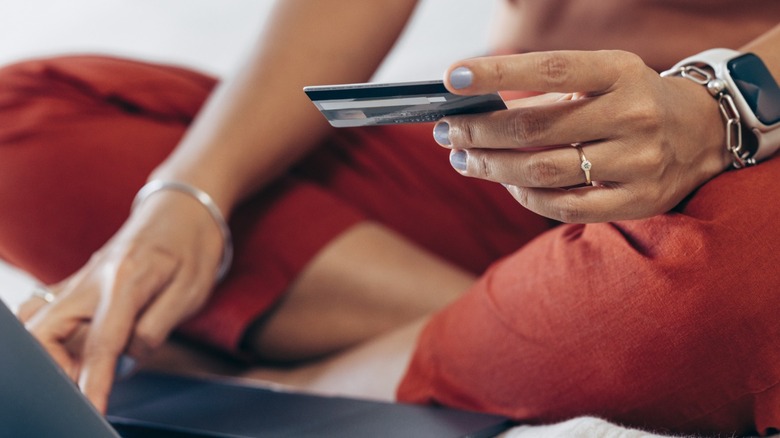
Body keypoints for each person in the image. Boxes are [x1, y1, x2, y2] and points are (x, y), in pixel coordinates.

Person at [1, 0, 779, 436]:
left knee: (749, 277)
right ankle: (539, 318)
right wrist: (187, 197)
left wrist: (725, 106)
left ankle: (300, 379)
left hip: (745, 157)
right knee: (18, 119)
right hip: (507, 150)